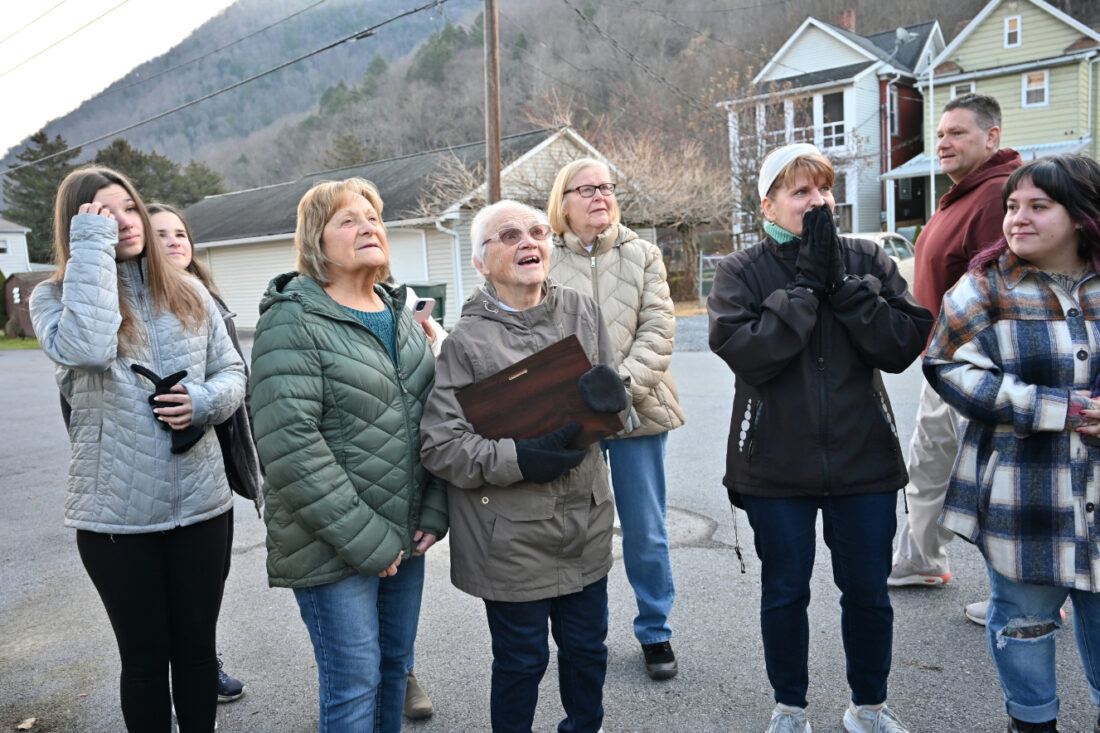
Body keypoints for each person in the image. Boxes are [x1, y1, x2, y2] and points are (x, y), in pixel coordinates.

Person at [707, 143, 932, 733]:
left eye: (824, 189)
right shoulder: (740, 271)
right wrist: (805, 288)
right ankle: (790, 707)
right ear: (769, 204)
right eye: (801, 191)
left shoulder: (865, 258)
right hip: (775, 465)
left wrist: (843, 285)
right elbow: (748, 353)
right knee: (784, 592)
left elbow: (902, 344)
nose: (817, 200)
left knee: (868, 594)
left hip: (864, 461)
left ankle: (869, 707)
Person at [29, 166, 247, 732]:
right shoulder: (52, 298)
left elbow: (231, 372)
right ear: (76, 226)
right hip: (114, 520)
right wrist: (94, 252)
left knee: (197, 653)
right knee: (145, 661)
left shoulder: (187, 287)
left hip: (202, 504)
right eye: (102, 212)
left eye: (128, 207)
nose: (124, 222)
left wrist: (202, 401)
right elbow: (89, 347)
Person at [420, 200, 629, 733]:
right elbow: (441, 446)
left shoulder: (583, 309)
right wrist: (519, 458)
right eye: (508, 235)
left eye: (537, 231)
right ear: (481, 262)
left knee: (587, 650)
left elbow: (610, 412)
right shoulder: (464, 343)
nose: (528, 242)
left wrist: (616, 404)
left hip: (585, 519)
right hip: (509, 536)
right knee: (521, 661)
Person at [249, 177, 446, 733]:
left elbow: (429, 419)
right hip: (330, 544)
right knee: (354, 685)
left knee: (392, 670)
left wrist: (433, 510)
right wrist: (368, 540)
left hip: (405, 535)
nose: (368, 227)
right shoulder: (292, 319)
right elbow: (290, 447)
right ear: (317, 240)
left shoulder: (399, 315)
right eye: (348, 220)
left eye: (374, 217)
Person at [923, 154, 1100, 733]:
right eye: (1011, 206)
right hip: (1026, 494)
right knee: (1024, 621)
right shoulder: (984, 287)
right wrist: (1061, 410)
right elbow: (948, 366)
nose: (1017, 218)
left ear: (1080, 216)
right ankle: (1031, 722)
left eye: (1038, 206)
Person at [546, 158, 686, 680]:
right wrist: (577, 401)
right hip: (572, 419)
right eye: (587, 189)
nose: (600, 195)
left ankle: (656, 631)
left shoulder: (644, 254)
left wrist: (618, 388)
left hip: (639, 411)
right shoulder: (543, 256)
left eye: (606, 187)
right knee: (577, 530)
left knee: (646, 531)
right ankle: (586, 636)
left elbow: (659, 328)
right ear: (564, 201)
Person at [888, 95, 1023, 617]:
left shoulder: (999, 197)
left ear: (991, 138)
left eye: (958, 133)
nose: (943, 142)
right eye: (940, 133)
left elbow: (1006, 292)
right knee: (928, 464)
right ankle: (921, 559)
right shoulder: (960, 194)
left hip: (980, 367)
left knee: (990, 479)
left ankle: (1019, 594)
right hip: (942, 363)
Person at [148, 202, 260, 704]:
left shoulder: (211, 302)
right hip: (150, 471)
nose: (175, 241)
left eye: (180, 232)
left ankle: (200, 661)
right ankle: (167, 674)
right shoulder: (133, 310)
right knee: (156, 595)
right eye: (161, 234)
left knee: (208, 582)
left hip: (214, 457)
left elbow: (237, 379)